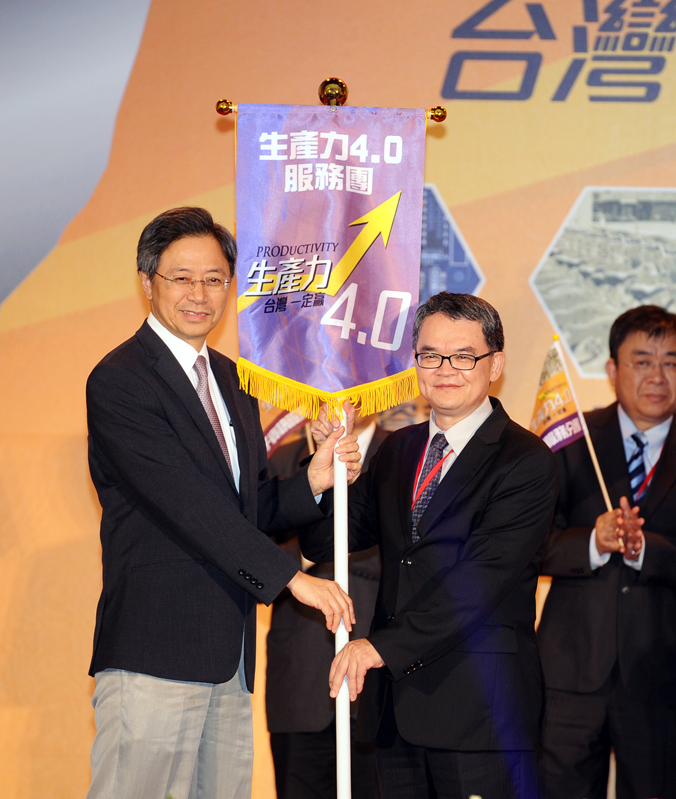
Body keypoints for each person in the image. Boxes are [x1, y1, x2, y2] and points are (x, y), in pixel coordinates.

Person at [84, 206, 360, 799]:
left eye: (214, 279)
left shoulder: (234, 380)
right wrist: (292, 579)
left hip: (230, 659)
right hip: (155, 651)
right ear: (147, 281)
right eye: (181, 277)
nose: (199, 294)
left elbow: (247, 508)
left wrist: (313, 478)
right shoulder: (121, 379)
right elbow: (187, 505)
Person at [300, 292, 558, 799]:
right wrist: (322, 475)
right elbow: (327, 540)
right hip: (396, 713)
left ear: (495, 365)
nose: (445, 370)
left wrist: (379, 647)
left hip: (480, 713)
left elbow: (480, 583)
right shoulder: (399, 449)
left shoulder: (525, 460)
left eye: (463, 356)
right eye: (430, 355)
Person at [536, 304, 676, 799]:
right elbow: (531, 545)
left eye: (672, 362)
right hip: (568, 677)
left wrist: (648, 549)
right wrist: (594, 541)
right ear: (613, 369)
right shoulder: (570, 441)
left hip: (661, 681)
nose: (657, 376)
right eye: (642, 361)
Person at [265, 416, 387, 799]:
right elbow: (249, 551)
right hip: (299, 688)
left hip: (380, 692)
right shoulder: (282, 459)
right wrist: (306, 555)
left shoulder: (400, 455)